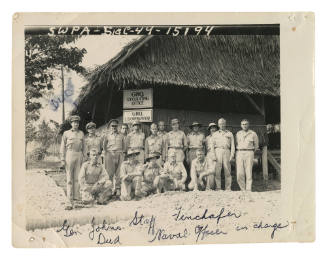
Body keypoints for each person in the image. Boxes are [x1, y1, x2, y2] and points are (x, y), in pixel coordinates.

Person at [60, 115, 86, 210]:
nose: (76, 124)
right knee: (69, 178)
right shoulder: (66, 133)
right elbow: (63, 147)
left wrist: (84, 157)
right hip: (69, 155)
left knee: (77, 178)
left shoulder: (81, 133)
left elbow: (84, 146)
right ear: (71, 123)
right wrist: (62, 159)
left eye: (77, 122)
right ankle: (69, 199)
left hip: (79, 155)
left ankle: (76, 198)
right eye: (74, 122)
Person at [102, 119, 125, 196]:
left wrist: (122, 153)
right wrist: (106, 154)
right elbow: (104, 146)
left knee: (119, 173)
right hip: (110, 154)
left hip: (119, 154)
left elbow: (124, 145)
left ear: (117, 126)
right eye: (112, 126)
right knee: (110, 173)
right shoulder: (107, 135)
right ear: (109, 126)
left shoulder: (121, 135)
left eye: (115, 126)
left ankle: (118, 189)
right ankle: (109, 190)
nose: (114, 127)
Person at [235, 119, 259, 191]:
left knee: (248, 171)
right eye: (243, 124)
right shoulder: (238, 134)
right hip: (239, 153)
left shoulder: (253, 134)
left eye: (246, 124)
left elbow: (256, 145)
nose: (244, 126)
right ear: (241, 125)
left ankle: (248, 189)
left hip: (249, 152)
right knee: (239, 173)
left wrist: (250, 151)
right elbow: (236, 144)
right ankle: (242, 189)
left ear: (248, 125)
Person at [211, 118, 235, 191]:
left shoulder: (229, 133)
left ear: (225, 124)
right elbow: (212, 146)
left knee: (227, 170)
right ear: (218, 125)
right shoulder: (215, 134)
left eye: (223, 123)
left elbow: (233, 145)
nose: (222, 125)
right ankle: (218, 187)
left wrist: (232, 155)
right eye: (220, 124)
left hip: (226, 151)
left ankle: (228, 188)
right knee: (217, 171)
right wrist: (213, 155)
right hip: (218, 150)